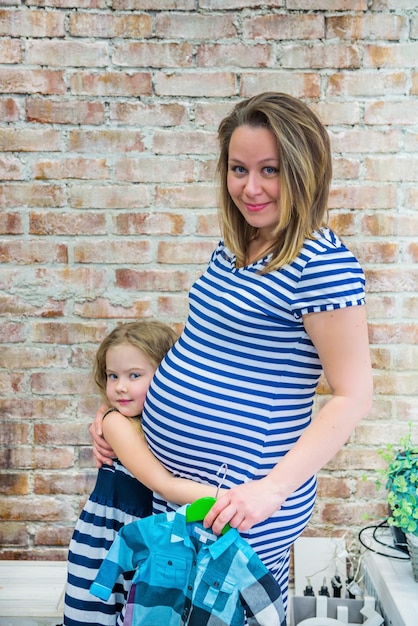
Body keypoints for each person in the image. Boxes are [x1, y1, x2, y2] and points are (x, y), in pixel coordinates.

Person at [91, 92, 373, 614]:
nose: (251, 187)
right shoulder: (238, 244)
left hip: (240, 502)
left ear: (306, 171)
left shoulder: (322, 266)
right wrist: (125, 414)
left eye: (271, 170)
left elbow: (354, 395)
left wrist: (269, 491)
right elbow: (209, 347)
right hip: (182, 492)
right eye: (239, 169)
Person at [64, 320, 226, 626]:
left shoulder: (159, 424)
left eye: (134, 375)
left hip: (146, 538)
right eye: (113, 376)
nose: (120, 386)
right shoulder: (115, 423)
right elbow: (162, 485)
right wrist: (231, 498)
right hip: (110, 539)